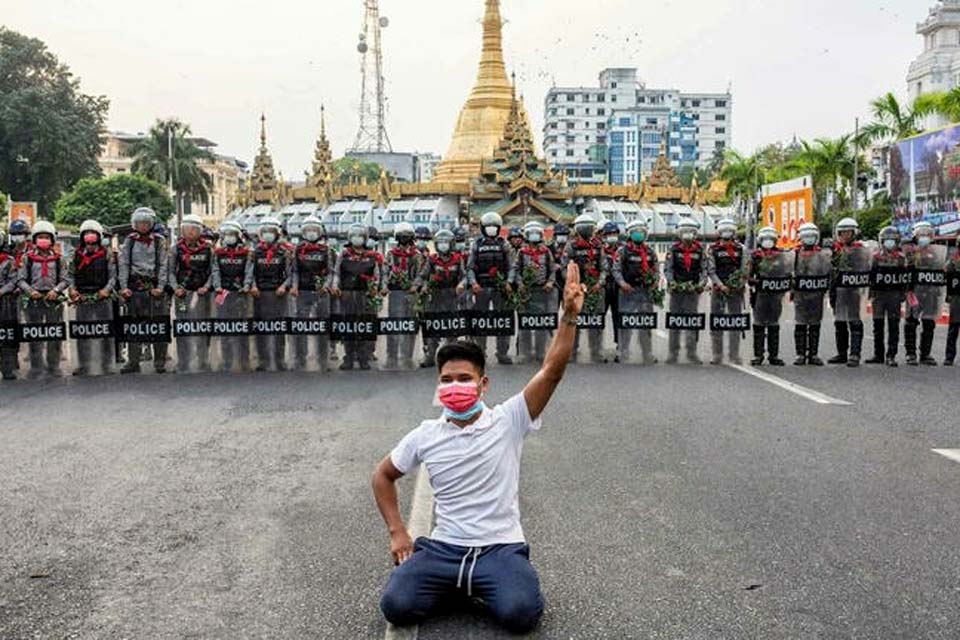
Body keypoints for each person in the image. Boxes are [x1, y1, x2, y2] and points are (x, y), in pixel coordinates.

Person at [373, 262, 585, 635]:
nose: (454, 386)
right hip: (444, 548)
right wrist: (397, 532)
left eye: (464, 379)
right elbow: (382, 475)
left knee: (521, 614)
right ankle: (465, 586)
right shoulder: (426, 434)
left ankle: (478, 585)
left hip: (499, 547)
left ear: (483, 384)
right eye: (446, 380)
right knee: (396, 605)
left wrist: (568, 317)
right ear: (438, 385)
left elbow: (551, 371)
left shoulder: (509, 419)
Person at [18, 220, 67, 378]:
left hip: (53, 299)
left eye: (46, 237)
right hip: (34, 298)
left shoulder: (59, 259)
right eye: (40, 237)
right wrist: (30, 291)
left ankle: (54, 365)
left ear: (52, 239)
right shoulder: (27, 258)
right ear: (34, 239)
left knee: (54, 333)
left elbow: (65, 279)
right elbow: (20, 279)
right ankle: (36, 366)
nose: (43, 240)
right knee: (35, 333)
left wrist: (56, 290)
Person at [66, 219, 116, 376]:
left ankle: (107, 364)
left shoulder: (107, 253)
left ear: (99, 236)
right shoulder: (75, 254)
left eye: (93, 234)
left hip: (102, 296)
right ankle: (83, 364)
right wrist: (72, 289)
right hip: (82, 297)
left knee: (105, 332)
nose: (90, 237)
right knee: (83, 332)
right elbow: (70, 275)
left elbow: (113, 276)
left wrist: (106, 290)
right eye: (86, 234)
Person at [331, 223, 382, 370]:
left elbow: (376, 275)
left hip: (365, 296)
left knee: (364, 327)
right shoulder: (344, 254)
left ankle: (363, 358)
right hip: (347, 296)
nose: (357, 238)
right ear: (349, 237)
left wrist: (375, 288)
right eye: (354, 235)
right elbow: (336, 273)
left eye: (360, 235)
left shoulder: (371, 256)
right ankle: (348, 357)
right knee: (348, 326)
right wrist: (335, 286)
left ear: (365, 238)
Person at [466, 212, 515, 365]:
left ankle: (502, 352)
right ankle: (481, 351)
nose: (492, 229)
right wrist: (473, 283)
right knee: (481, 321)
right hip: (482, 288)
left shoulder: (504, 244)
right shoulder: (476, 245)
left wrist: (509, 282)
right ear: (483, 228)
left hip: (500, 288)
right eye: (489, 227)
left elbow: (511, 266)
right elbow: (470, 268)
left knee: (503, 320)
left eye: (494, 226)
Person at [245, 216, 291, 372]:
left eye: (271, 231)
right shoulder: (255, 252)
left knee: (278, 327)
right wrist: (252, 286)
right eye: (264, 231)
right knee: (261, 328)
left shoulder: (284, 253)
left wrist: (284, 286)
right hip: (259, 295)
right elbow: (250, 272)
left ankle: (279, 359)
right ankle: (263, 360)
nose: (267, 234)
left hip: (278, 294)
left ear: (277, 233)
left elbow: (290, 274)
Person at [289, 216, 335, 372]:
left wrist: (326, 286)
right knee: (301, 326)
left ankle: (323, 358)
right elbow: (295, 271)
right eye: (308, 230)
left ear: (319, 232)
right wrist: (294, 286)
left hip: (321, 293)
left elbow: (330, 272)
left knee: (322, 326)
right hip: (303, 292)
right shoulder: (298, 250)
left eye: (314, 230)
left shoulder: (326, 250)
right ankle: (300, 358)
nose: (311, 233)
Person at [170, 214, 214, 373]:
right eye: (187, 229)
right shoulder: (176, 249)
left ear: (200, 231)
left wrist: (207, 287)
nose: (190, 232)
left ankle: (203, 360)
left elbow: (213, 271)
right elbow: (171, 271)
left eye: (194, 229)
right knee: (183, 326)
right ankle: (183, 360)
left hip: (202, 295)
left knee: (203, 326)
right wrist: (176, 288)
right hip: (183, 295)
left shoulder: (208, 249)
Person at [417, 229, 467, 368]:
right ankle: (430, 356)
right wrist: (419, 286)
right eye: (440, 242)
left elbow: (464, 276)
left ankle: (452, 357)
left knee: (451, 327)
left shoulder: (458, 259)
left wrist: (461, 285)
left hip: (452, 296)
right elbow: (423, 275)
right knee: (433, 326)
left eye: (446, 242)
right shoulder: (432, 259)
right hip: (436, 296)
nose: (443, 245)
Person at [612, 218, 660, 365]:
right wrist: (622, 284)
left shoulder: (650, 252)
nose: (639, 234)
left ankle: (647, 353)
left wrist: (655, 281)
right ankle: (623, 352)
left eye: (641, 232)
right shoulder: (622, 251)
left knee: (646, 324)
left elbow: (656, 270)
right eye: (636, 232)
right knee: (626, 323)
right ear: (630, 234)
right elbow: (616, 270)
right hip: (627, 292)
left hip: (645, 292)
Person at [563, 214, 606, 363]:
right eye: (584, 227)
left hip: (595, 288)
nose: (587, 230)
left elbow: (604, 267)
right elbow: (565, 268)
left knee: (595, 321)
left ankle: (596, 352)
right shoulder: (571, 246)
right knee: (574, 322)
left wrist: (599, 283)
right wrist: (575, 284)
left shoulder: (598, 246)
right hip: (577, 290)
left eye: (589, 227)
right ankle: (572, 352)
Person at [705, 218, 747, 365]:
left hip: (736, 290)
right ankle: (717, 354)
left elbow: (744, 269)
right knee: (717, 322)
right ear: (719, 232)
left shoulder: (741, 249)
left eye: (730, 230)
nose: (727, 232)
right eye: (724, 230)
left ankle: (734, 354)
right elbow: (711, 270)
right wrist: (720, 285)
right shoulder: (713, 249)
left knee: (735, 322)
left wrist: (740, 283)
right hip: (719, 290)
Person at [664, 217, 706, 365]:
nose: (688, 234)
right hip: (676, 291)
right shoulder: (673, 250)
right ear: (679, 233)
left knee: (692, 322)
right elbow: (668, 269)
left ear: (695, 234)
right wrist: (672, 282)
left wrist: (701, 284)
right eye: (685, 231)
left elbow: (704, 270)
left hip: (692, 292)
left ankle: (691, 352)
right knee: (675, 322)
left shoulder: (700, 251)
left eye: (691, 231)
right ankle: (673, 353)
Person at [211, 221, 252, 373]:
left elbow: (249, 270)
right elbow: (215, 271)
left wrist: (246, 285)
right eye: (227, 235)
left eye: (232, 235)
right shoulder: (218, 253)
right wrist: (217, 286)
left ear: (238, 236)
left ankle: (244, 360)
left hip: (241, 293)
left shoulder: (246, 253)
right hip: (223, 293)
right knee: (225, 327)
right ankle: (227, 360)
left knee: (242, 328)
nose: (230, 237)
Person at [866, 226, 910, 367]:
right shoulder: (875, 258)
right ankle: (878, 354)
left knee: (893, 326)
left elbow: (905, 278)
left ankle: (891, 355)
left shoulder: (901, 259)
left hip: (894, 295)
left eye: (892, 240)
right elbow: (870, 277)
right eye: (886, 240)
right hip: (879, 295)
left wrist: (903, 293)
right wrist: (869, 293)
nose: (889, 242)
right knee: (877, 325)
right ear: (881, 241)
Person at [514, 221, 556, 364]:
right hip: (526, 292)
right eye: (531, 233)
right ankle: (525, 353)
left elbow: (552, 270)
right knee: (525, 323)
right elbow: (516, 270)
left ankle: (541, 352)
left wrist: (550, 282)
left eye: (536, 233)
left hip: (542, 291)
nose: (534, 236)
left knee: (541, 323)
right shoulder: (521, 252)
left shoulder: (546, 252)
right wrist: (520, 284)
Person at [828, 217, 869, 368]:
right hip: (838, 290)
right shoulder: (834, 250)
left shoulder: (861, 250)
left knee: (855, 322)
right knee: (840, 322)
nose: (845, 235)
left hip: (854, 291)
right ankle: (842, 353)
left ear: (854, 233)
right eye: (842, 232)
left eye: (848, 232)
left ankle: (855, 354)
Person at [904, 221, 945, 366]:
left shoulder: (936, 253)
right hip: (914, 292)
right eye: (921, 234)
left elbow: (942, 272)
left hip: (931, 293)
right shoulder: (909, 252)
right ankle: (910, 353)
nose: (924, 237)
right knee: (911, 322)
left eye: (928, 234)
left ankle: (925, 354)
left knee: (929, 323)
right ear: (915, 236)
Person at [748, 226, 790, 367]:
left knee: (774, 323)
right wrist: (758, 282)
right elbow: (748, 276)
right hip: (760, 294)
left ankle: (774, 355)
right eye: (765, 239)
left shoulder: (781, 256)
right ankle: (758, 355)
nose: (768, 241)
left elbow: (787, 274)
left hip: (775, 295)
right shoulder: (755, 256)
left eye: (770, 239)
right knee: (759, 324)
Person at [791, 222, 831, 366]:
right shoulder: (794, 254)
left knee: (815, 324)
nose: (809, 239)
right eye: (806, 236)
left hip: (816, 294)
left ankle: (813, 354)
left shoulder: (823, 254)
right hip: (800, 294)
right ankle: (800, 354)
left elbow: (828, 273)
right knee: (800, 323)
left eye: (811, 236)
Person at [383, 223, 421, 370]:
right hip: (395, 293)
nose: (404, 239)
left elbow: (420, 274)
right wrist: (385, 285)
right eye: (401, 236)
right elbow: (385, 272)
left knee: (410, 324)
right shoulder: (391, 254)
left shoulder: (416, 255)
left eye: (407, 236)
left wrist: (415, 286)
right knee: (394, 324)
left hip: (411, 293)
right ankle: (391, 356)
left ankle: (408, 356)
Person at [0, 228, 21, 380]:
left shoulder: (8, 260)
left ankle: (8, 367)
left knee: (7, 334)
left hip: (5, 302)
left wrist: (1, 291)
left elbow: (14, 280)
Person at [601, 221, 622, 358]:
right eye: (609, 234)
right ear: (604, 236)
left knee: (619, 317)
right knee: (599, 316)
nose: (612, 236)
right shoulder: (600, 250)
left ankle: (620, 344)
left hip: (619, 288)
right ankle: (597, 345)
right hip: (604, 287)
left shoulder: (623, 250)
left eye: (614, 233)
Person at [945, 234, 960, 366]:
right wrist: (948, 295)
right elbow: (947, 275)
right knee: (954, 327)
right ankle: (949, 357)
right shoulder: (954, 261)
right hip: (956, 297)